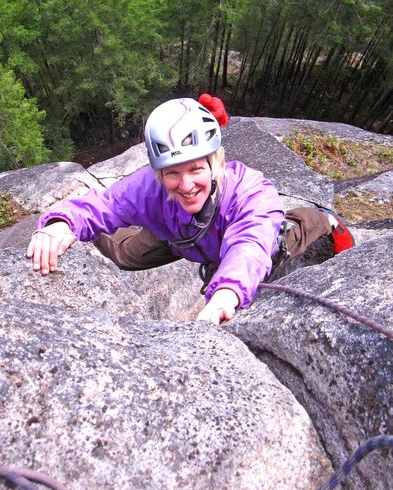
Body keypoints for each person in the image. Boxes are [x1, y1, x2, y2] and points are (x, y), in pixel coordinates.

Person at [27, 96, 354, 325]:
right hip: (180, 237)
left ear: (215, 162)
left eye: (196, 169)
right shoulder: (148, 188)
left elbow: (249, 246)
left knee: (283, 241)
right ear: (159, 173)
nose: (185, 185)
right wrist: (64, 224)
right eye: (172, 173)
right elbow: (105, 204)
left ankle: (321, 219)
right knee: (126, 255)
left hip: (237, 239)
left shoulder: (251, 194)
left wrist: (228, 292)